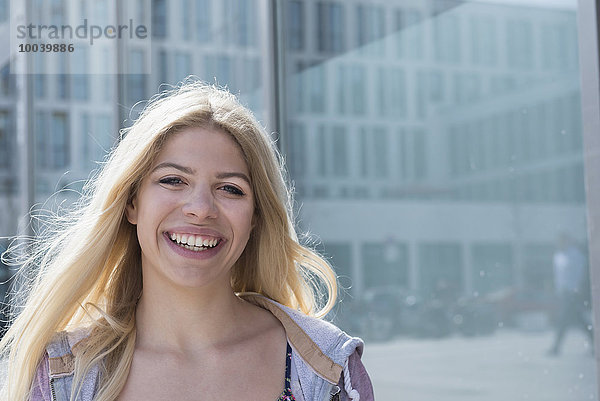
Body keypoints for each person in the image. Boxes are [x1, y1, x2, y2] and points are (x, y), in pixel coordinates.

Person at [0, 81, 374, 401]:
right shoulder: (62, 377)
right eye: (173, 180)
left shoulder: (328, 371)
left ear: (256, 217)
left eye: (230, 189)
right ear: (132, 202)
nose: (201, 209)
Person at [548, 233, 594, 356]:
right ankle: (595, 343)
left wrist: (578, 290)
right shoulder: (558, 256)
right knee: (579, 320)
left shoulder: (576, 255)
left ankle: (556, 347)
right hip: (563, 293)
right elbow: (559, 277)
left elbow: (580, 274)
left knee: (563, 320)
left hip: (573, 293)